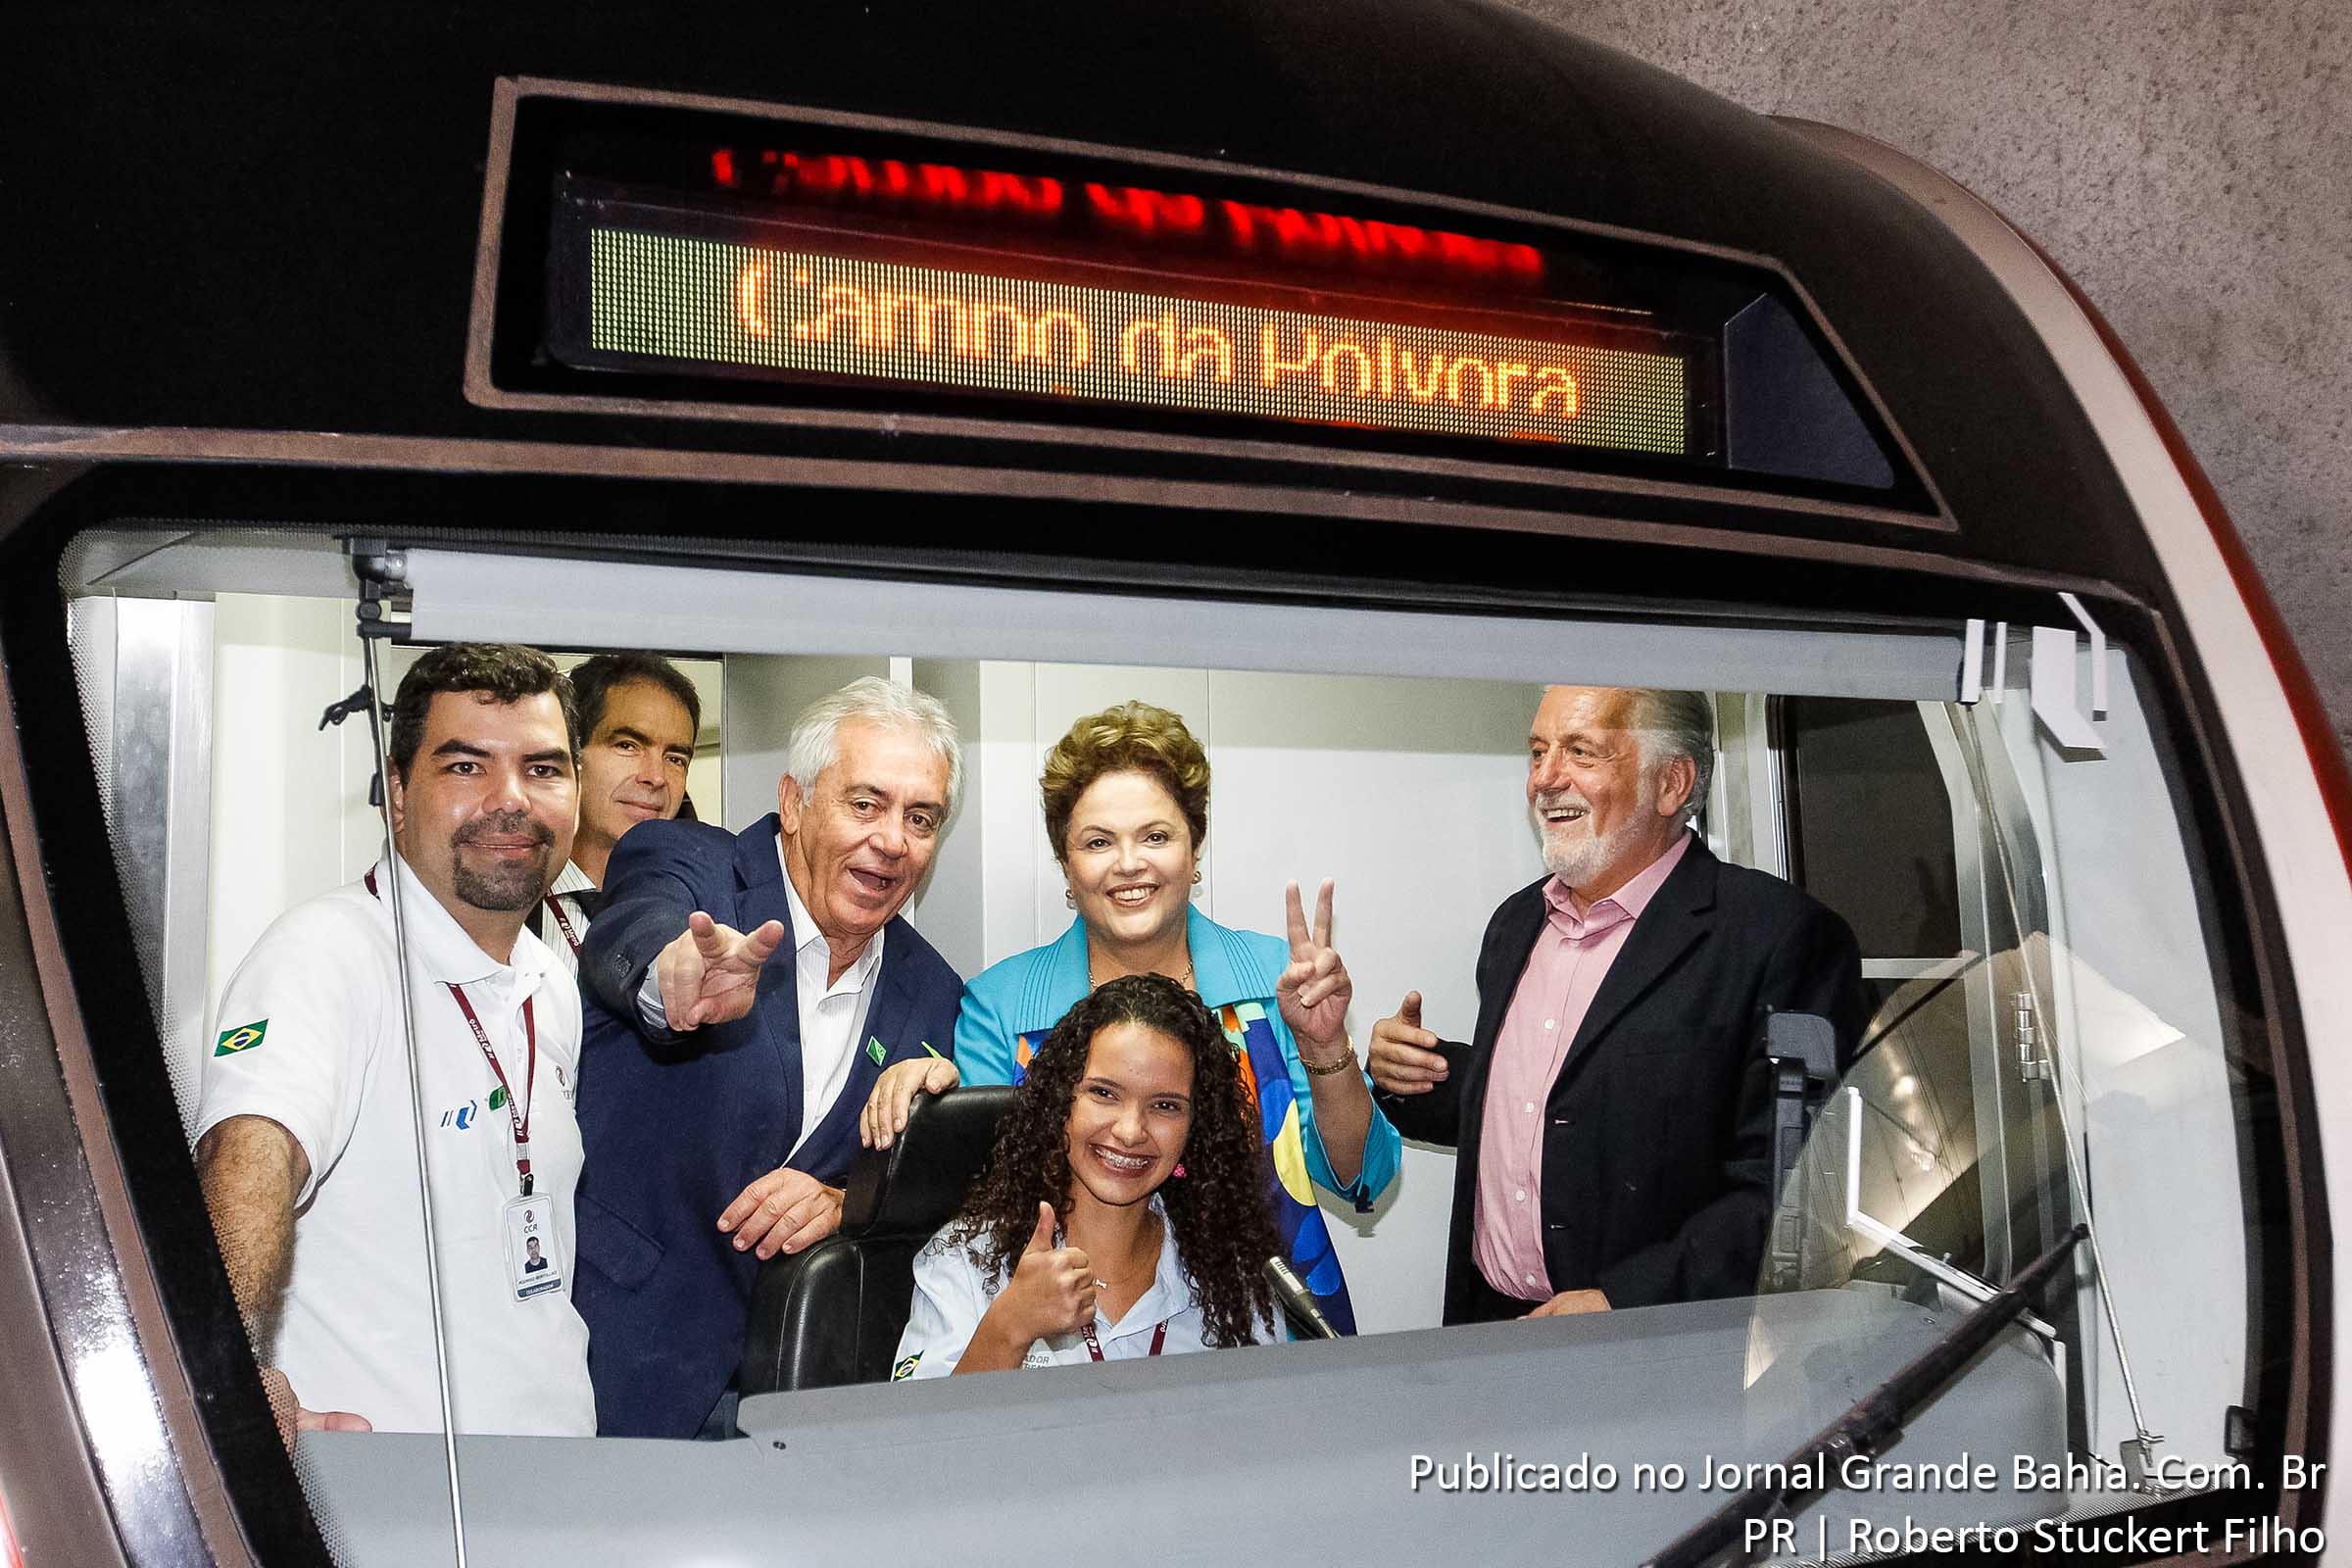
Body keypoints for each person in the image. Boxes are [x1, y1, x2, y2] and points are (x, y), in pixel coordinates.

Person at [865, 700, 1398, 1333]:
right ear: (1067, 867)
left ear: (1194, 850)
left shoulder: (1274, 982)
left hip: (1266, 1336)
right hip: (1074, 1339)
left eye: (1155, 836)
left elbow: (1360, 1181)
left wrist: (1325, 1046)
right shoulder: (1000, 1008)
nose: (1129, 864)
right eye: (1098, 842)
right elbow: (988, 1207)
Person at [1367, 686, 1868, 1324]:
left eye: (1581, 751)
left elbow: (1800, 1187)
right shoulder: (1515, 926)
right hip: (1492, 1331)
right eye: (1538, 752)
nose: (1545, 780)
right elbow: (1560, 1108)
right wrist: (1417, 1074)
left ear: (1671, 783)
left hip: (1660, 1349)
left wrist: (1626, 1301)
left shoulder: (1783, 938)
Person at [192, 643, 593, 1436]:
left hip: (547, 1487)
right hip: (390, 1499)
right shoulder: (327, 952)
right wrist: (218, 1389)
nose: (511, 800)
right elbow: (250, 1154)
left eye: (544, 769)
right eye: (467, 767)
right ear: (398, 792)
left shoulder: (550, 982)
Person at [573, 676, 965, 1438]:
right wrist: (667, 976)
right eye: (865, 803)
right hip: (615, 1364)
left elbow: (932, 1204)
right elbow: (637, 922)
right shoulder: (691, 863)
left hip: (806, 1397)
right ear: (793, 802)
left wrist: (847, 1201)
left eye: (921, 818)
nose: (892, 840)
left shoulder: (937, 993)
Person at [894, 975, 1278, 1378]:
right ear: (1061, 1101)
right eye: (1104, 1094)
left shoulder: (1232, 1277)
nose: (1130, 1131)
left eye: (1165, 1105)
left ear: (1196, 1127)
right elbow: (914, 1437)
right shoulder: (967, 1259)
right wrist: (1009, 1327)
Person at [537, 652, 701, 977]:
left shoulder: (703, 912)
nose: (656, 777)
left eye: (675, 758)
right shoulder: (506, 892)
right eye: (628, 745)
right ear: (569, 753)